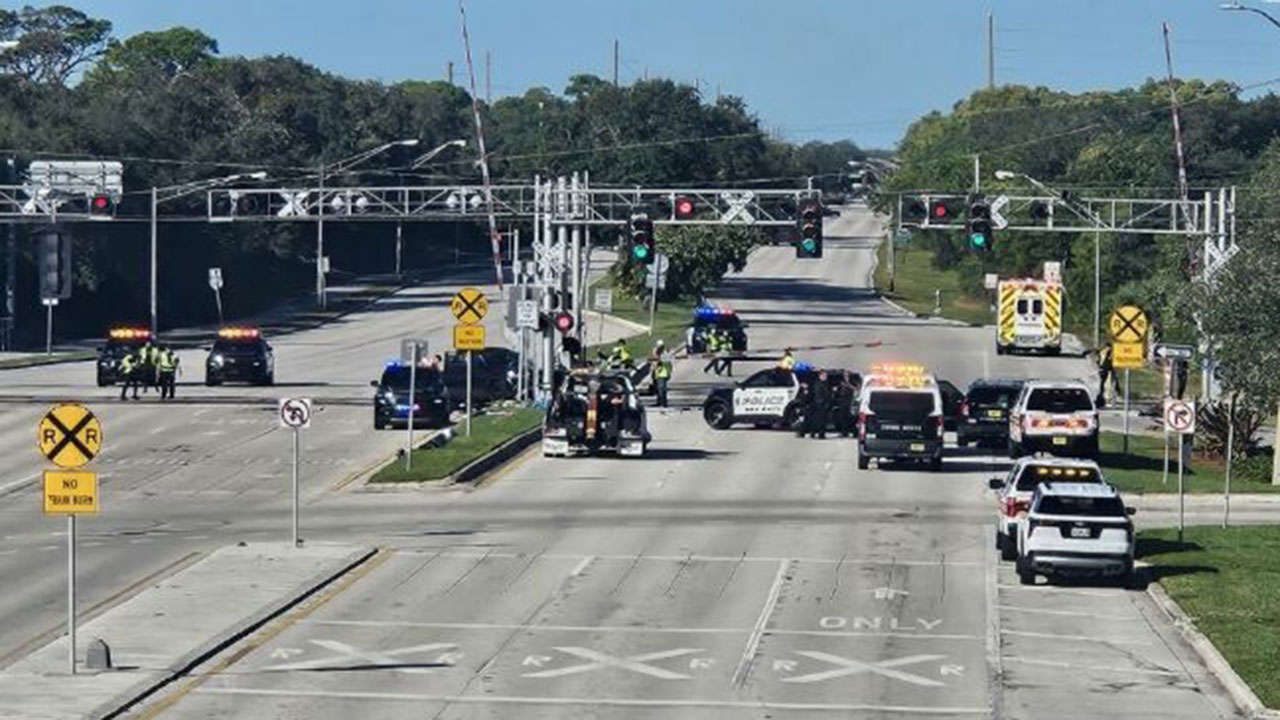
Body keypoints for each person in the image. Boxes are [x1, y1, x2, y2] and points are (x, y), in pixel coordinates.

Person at [806, 370, 832, 439]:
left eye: (826, 376)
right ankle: (817, 433)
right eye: (824, 375)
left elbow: (828, 394)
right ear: (820, 376)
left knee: (822, 420)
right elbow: (818, 394)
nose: (825, 377)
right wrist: (822, 402)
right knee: (818, 420)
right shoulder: (818, 384)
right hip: (819, 404)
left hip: (823, 404)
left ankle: (820, 433)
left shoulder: (826, 384)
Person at [833, 372, 856, 437]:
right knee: (842, 418)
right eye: (845, 376)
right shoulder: (841, 383)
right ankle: (844, 432)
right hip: (842, 402)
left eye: (847, 376)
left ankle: (854, 431)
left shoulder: (852, 382)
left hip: (850, 402)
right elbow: (837, 391)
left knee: (851, 418)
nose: (846, 377)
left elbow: (855, 389)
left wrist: (848, 385)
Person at [652, 341, 672, 408]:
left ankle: (663, 403)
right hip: (660, 374)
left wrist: (669, 372)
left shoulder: (663, 354)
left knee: (661, 389)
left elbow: (668, 364)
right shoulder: (658, 353)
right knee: (661, 389)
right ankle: (662, 402)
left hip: (662, 374)